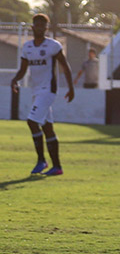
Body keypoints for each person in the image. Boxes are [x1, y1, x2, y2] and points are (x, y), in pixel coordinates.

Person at [10, 13, 74, 177]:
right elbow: (23, 69)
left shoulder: (53, 46)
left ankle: (41, 161)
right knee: (47, 128)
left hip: (48, 90)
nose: (39, 28)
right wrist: (15, 80)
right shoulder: (27, 47)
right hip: (36, 91)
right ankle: (57, 167)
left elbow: (65, 67)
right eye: (37, 25)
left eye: (42, 26)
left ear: (46, 28)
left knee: (31, 121)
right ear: (32, 27)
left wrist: (71, 88)